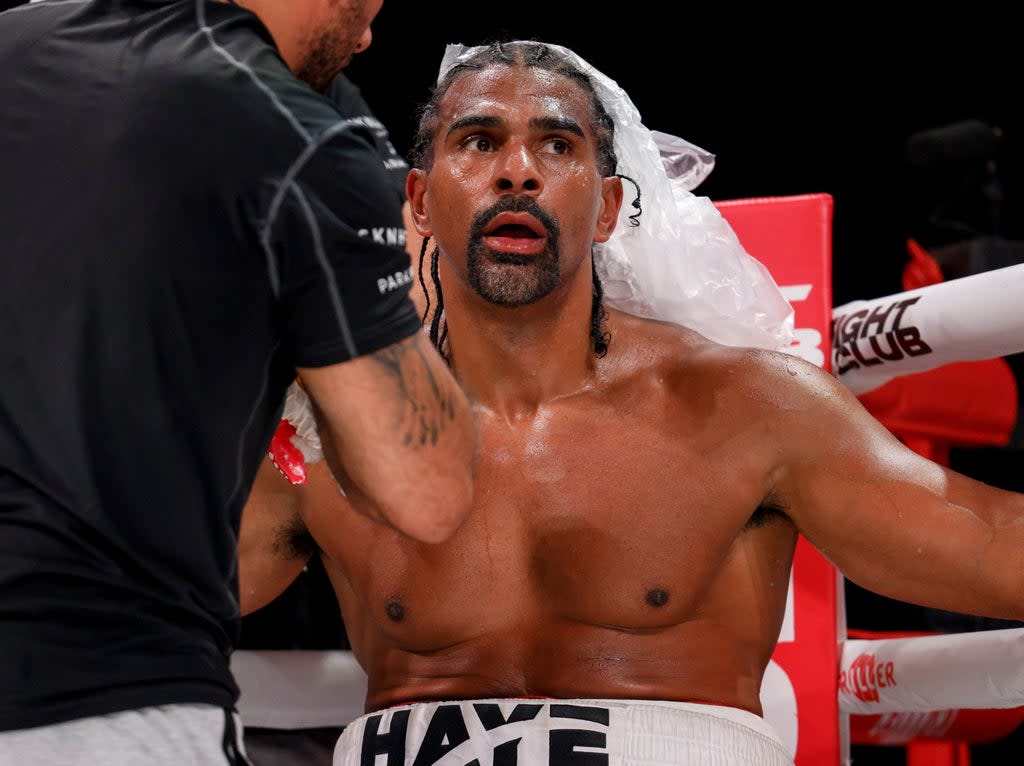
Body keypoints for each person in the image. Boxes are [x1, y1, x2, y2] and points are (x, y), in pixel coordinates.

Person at [238, 40, 1024, 766]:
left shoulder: (744, 406)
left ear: (610, 207)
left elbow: (990, 546)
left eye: (557, 145)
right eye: (478, 142)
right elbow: (148, 586)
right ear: (418, 199)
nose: (518, 171)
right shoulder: (327, 434)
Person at [0, 0, 477, 764]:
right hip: (102, 699)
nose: (368, 34)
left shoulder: (13, 40)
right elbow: (428, 491)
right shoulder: (303, 140)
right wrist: (384, 302)